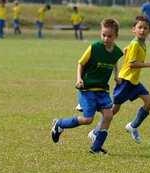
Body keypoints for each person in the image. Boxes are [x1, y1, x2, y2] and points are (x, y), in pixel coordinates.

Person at [50, 18, 123, 154]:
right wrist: (79, 79)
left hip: (102, 90)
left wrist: (116, 76)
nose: (106, 38)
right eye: (104, 35)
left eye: (110, 36)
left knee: (108, 115)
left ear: (116, 36)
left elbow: (114, 62)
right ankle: (59, 124)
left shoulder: (117, 52)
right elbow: (81, 63)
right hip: (87, 89)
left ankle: (96, 148)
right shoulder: (94, 47)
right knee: (88, 119)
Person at [92, 15, 150, 144]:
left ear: (149, 31)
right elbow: (132, 64)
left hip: (133, 81)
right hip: (125, 81)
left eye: (146, 28)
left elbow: (128, 52)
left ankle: (133, 126)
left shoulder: (140, 43)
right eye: (140, 27)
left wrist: (126, 50)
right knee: (113, 110)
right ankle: (95, 132)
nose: (142, 30)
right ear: (133, 29)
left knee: (149, 102)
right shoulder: (135, 44)